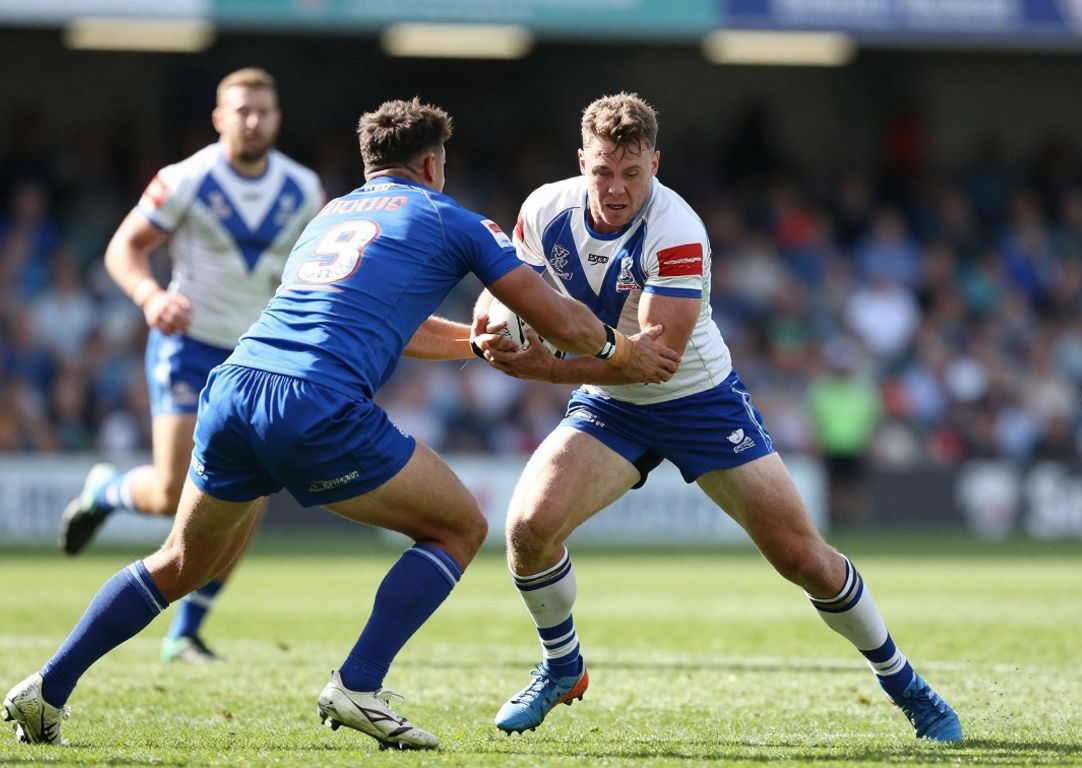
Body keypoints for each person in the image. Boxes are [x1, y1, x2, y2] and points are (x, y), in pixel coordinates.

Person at [2, 97, 679, 749]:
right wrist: (623, 352)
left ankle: (47, 687)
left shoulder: (329, 215)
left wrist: (472, 345)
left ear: (369, 164)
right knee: (459, 525)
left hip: (234, 389)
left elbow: (387, 322)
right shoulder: (451, 218)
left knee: (179, 560)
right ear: (433, 167)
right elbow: (561, 321)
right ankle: (359, 683)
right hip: (315, 403)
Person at [478, 92, 960, 742]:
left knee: (802, 558)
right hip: (612, 402)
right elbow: (524, 298)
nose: (616, 189)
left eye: (632, 173)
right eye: (602, 172)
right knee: (529, 530)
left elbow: (655, 363)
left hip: (696, 399)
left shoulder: (677, 230)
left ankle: (904, 682)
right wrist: (492, 321)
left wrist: (543, 368)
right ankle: (562, 668)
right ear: (581, 161)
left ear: (656, 163)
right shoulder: (544, 209)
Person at [58, 68, 325, 664]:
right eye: (242, 110)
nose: (253, 120)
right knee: (172, 493)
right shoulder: (186, 180)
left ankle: (188, 631)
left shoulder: (303, 189)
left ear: (277, 118)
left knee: (250, 494)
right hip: (192, 346)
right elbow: (125, 247)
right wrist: (152, 298)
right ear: (219, 118)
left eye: (263, 110)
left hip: (260, 355)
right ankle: (106, 490)